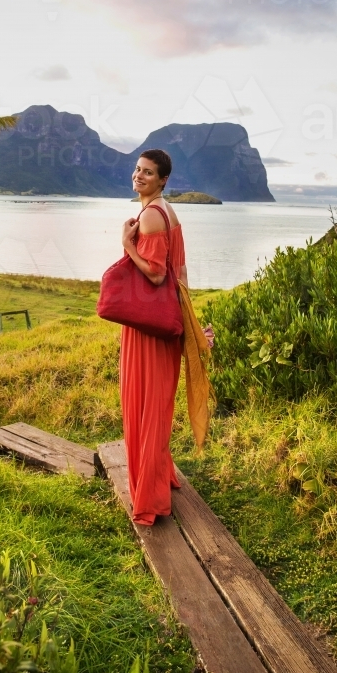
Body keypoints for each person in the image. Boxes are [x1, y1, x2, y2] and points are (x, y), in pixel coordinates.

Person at [119, 148, 187, 526]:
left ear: (162, 179)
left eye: (148, 172)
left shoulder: (150, 216)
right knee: (156, 404)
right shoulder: (166, 210)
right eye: (137, 169)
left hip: (149, 327)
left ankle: (150, 498)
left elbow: (158, 274)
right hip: (166, 322)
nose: (139, 175)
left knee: (144, 404)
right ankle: (158, 477)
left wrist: (127, 245)